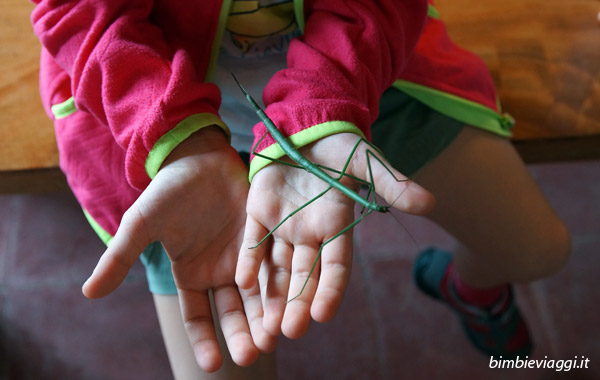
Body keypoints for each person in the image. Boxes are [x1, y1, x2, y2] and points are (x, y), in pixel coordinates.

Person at [30, 0, 570, 378]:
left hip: (352, 80)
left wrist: (325, 103)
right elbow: (79, 12)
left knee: (537, 247)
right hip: (153, 120)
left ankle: (466, 290)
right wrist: (179, 142)